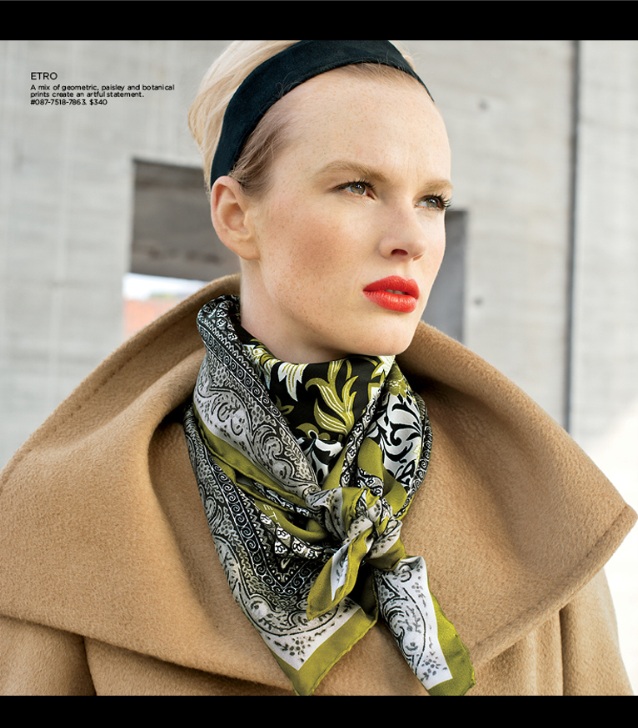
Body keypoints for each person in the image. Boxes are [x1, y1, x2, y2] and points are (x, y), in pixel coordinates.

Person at [0, 40, 635, 696]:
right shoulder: (68, 530)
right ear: (236, 215)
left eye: (432, 200)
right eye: (358, 186)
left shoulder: (543, 514)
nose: (412, 238)